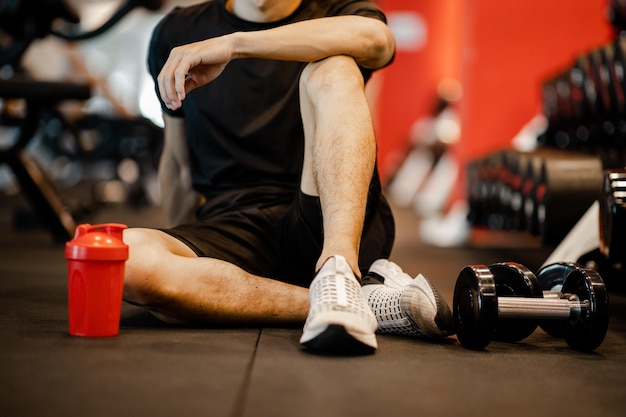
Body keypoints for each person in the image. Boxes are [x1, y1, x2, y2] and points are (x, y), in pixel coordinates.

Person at [122, 0, 454, 355]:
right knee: (127, 259)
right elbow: (177, 161)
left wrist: (234, 45)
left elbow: (376, 40)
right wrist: (184, 270)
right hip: (234, 225)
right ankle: (358, 302)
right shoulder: (178, 33)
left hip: (326, 215)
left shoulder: (334, 10)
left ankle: (337, 270)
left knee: (336, 66)